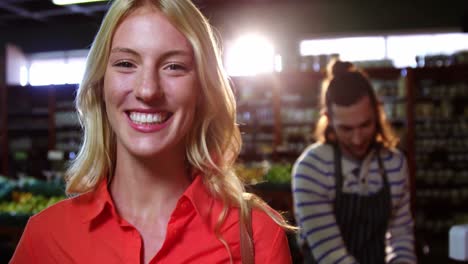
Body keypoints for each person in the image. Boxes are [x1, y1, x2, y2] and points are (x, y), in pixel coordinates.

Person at [10, 0, 295, 263]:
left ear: (203, 91)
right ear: (100, 84)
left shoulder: (257, 237)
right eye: (126, 64)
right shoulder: (45, 238)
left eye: (174, 66)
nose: (148, 90)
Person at [292, 59, 417, 264]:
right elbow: (331, 254)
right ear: (329, 119)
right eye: (346, 129)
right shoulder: (311, 168)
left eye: (365, 125)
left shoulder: (394, 164)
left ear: (377, 112)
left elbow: (400, 237)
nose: (358, 139)